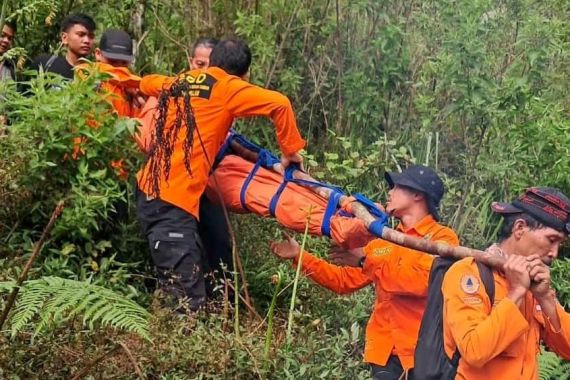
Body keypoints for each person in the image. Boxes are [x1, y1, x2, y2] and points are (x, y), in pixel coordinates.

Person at [136, 38, 306, 312]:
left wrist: (137, 90)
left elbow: (147, 83)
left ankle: (205, 329)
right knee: (184, 300)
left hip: (154, 190)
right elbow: (280, 103)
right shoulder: (228, 88)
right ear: (245, 75)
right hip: (170, 200)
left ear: (212, 61)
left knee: (200, 272)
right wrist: (291, 151)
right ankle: (175, 347)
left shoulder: (182, 80)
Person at [271, 165, 459, 379]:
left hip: (422, 354)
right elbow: (343, 281)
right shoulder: (383, 239)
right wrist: (299, 256)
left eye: (397, 187)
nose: (389, 192)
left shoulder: (442, 239)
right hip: (384, 353)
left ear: (418, 194)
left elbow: (418, 282)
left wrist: (363, 260)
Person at [441, 187, 570, 379]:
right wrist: (516, 292)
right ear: (519, 228)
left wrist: (545, 299)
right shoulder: (469, 273)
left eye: (560, 244)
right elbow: (474, 351)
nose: (554, 253)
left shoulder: (535, 284)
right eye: (551, 240)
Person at [30, 13, 96, 80]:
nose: (87, 41)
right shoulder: (45, 64)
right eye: (81, 35)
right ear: (64, 38)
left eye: (91, 36)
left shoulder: (96, 75)